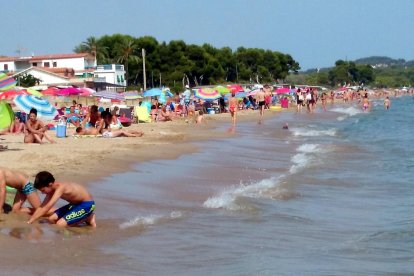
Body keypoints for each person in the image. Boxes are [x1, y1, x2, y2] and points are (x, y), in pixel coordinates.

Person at [27, 171, 96, 227]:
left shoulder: (61, 188)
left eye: (43, 190)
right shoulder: (51, 190)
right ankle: (84, 217)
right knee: (51, 218)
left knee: (60, 225)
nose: (42, 193)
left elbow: (48, 207)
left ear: (50, 184)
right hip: (75, 205)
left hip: (87, 204)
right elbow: (42, 206)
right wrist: (31, 219)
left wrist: (32, 220)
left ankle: (88, 217)